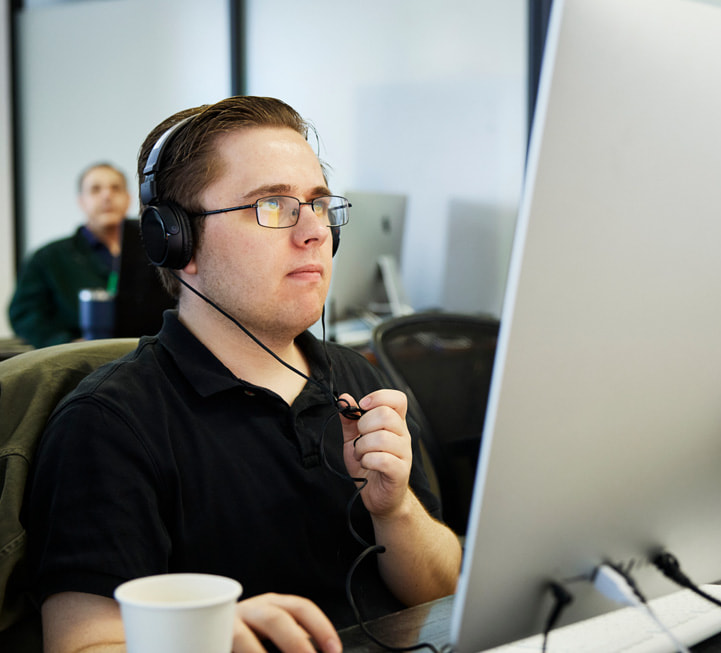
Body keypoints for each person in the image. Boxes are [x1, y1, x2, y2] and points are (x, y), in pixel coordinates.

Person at [25, 96, 462, 653]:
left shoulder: (359, 379)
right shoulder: (110, 423)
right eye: (273, 205)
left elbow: (445, 588)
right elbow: (82, 645)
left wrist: (395, 510)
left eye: (319, 204)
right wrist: (199, 641)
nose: (314, 233)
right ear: (176, 240)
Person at [7, 162, 131, 348]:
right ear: (81, 201)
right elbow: (24, 314)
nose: (107, 196)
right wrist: (66, 344)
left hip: (141, 356)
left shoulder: (153, 254)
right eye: (95, 189)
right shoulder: (48, 257)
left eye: (116, 188)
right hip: (76, 360)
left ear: (128, 199)